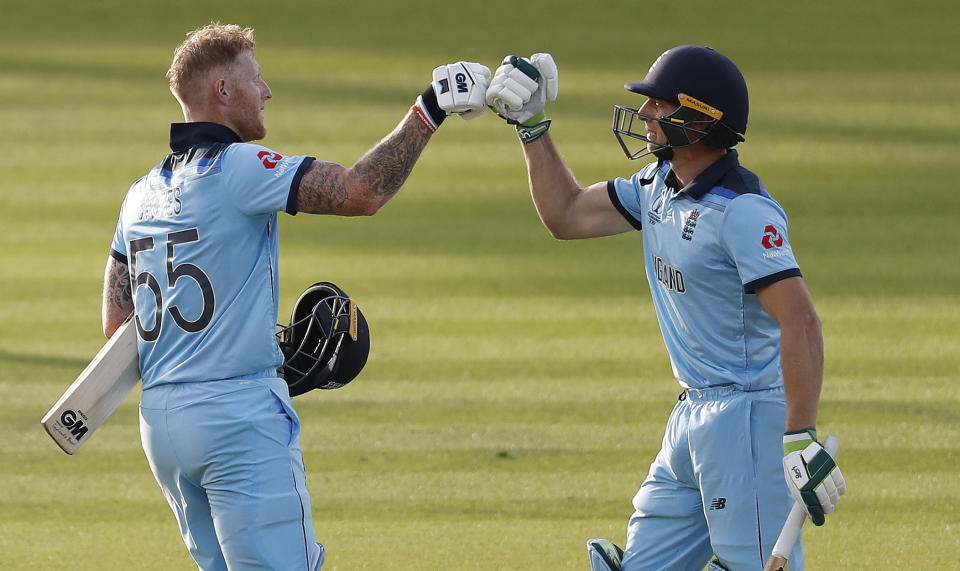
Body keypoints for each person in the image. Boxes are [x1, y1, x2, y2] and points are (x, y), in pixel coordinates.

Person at [100, 22, 489, 570]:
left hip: (162, 425)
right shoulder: (236, 167)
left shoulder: (139, 195)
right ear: (223, 92)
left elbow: (119, 327)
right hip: (237, 419)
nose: (268, 92)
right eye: (256, 79)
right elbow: (360, 193)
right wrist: (431, 108)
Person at [486, 46, 846, 570]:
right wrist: (531, 126)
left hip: (745, 419)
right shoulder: (656, 186)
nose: (645, 115)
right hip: (690, 417)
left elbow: (801, 322)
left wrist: (799, 437)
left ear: (701, 121)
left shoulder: (743, 212)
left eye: (660, 105)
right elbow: (565, 215)